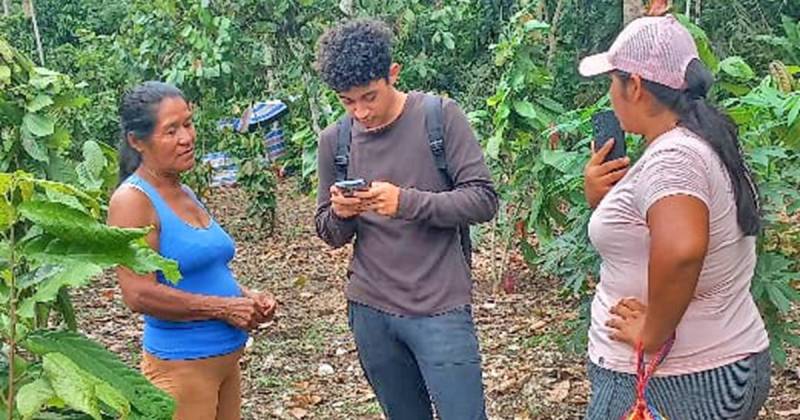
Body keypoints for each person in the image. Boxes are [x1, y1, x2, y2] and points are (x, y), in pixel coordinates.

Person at [579, 15, 770, 419]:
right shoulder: (697, 143)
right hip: (718, 366)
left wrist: (652, 332)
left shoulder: (674, 157)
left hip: (677, 381)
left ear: (634, 86)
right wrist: (605, 201)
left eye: (613, 82)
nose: (610, 95)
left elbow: (683, 248)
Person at [313, 19, 498, 420]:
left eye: (369, 96)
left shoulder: (439, 117)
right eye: (347, 101)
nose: (361, 112)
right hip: (371, 312)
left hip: (440, 308)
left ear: (393, 74)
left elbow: (483, 200)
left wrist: (406, 202)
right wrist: (342, 214)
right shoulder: (335, 141)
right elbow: (327, 230)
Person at [107, 81, 276, 420]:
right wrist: (224, 308)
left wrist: (247, 297)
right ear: (137, 141)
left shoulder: (183, 191)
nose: (187, 137)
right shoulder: (132, 201)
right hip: (181, 370)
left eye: (188, 123)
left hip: (224, 365)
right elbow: (138, 293)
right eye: (171, 130)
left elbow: (201, 271)